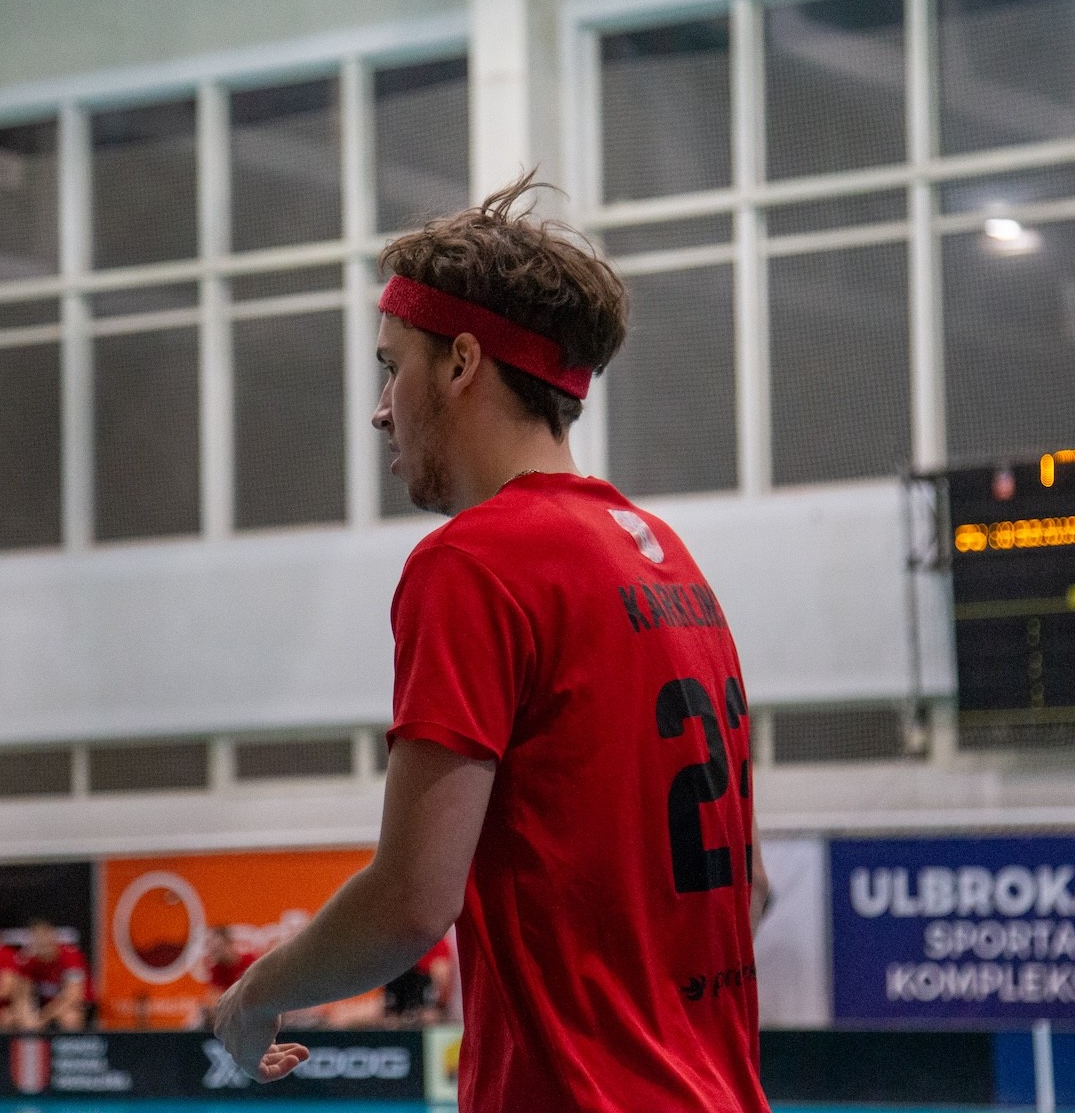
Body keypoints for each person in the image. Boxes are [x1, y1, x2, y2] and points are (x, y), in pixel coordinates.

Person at [215, 176, 770, 1112]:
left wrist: (255, 993)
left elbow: (410, 903)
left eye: (393, 365)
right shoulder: (669, 563)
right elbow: (746, 888)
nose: (382, 407)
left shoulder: (473, 564)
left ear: (462, 361)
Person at [15, 919, 90, 1031]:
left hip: (74, 1004)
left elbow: (73, 995)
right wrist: (27, 1016)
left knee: (70, 1017)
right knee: (9, 1017)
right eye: (38, 938)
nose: (43, 942)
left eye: (46, 936)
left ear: (54, 936)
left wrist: (43, 1018)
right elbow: (22, 994)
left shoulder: (71, 955)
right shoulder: (28, 960)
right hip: (44, 1005)